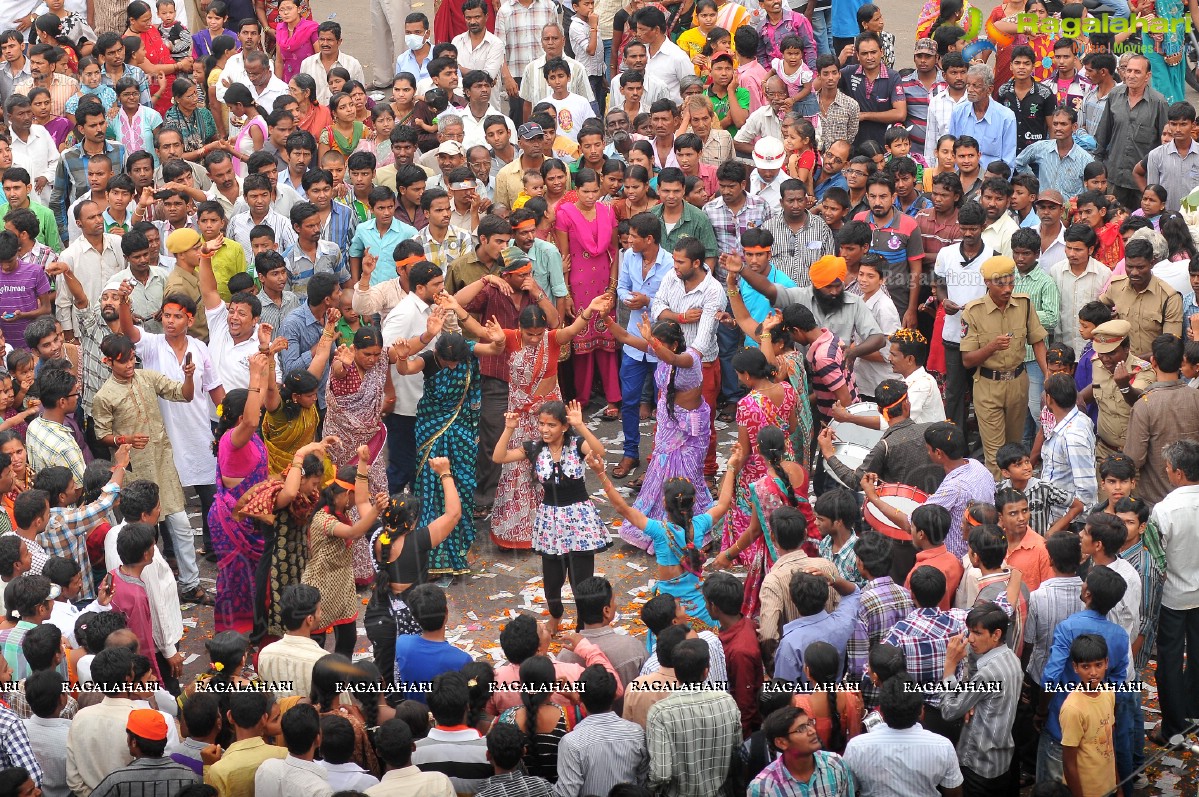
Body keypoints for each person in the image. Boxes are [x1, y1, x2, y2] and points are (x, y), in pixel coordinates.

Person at [389, 311, 505, 575]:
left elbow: (496, 349)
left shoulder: (470, 351)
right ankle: (433, 549)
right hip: (431, 427)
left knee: (461, 483)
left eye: (457, 363)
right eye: (447, 363)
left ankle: (460, 544)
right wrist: (404, 356)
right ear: (438, 356)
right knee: (430, 485)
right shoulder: (429, 359)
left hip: (463, 427)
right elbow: (405, 369)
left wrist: (498, 340)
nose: (453, 367)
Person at [490, 296, 607, 548]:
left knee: (553, 462)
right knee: (519, 466)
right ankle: (518, 533)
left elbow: (574, 329)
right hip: (520, 416)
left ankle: (554, 524)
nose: (534, 338)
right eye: (529, 334)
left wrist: (589, 310)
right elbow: (488, 341)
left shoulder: (552, 338)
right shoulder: (510, 337)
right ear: (519, 328)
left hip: (549, 414)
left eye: (538, 333)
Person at [492, 401, 611, 632]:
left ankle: (582, 625)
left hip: (580, 519)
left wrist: (581, 425)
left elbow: (600, 451)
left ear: (565, 426)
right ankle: (556, 616)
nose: (545, 429)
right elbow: (499, 457)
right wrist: (508, 428)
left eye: (551, 425)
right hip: (550, 522)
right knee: (552, 582)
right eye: (541, 424)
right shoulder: (534, 448)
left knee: (581, 582)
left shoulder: (577, 444)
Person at [960, 255, 1049, 476]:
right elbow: (967, 360)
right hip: (988, 386)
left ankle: (1015, 497)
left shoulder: (1024, 304)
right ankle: (999, 502)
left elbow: (1037, 341)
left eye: (1011, 282)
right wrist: (991, 347)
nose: (1008, 288)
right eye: (1001, 283)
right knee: (996, 454)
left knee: (1014, 448)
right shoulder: (973, 312)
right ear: (988, 283)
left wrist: (1048, 375)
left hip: (1019, 383)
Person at [208, 357, 273, 634]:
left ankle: (255, 628)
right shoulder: (234, 439)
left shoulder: (250, 437)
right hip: (234, 521)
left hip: (252, 517)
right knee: (236, 580)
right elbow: (251, 418)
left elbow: (262, 403)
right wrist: (253, 376)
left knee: (257, 579)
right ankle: (232, 636)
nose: (258, 415)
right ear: (239, 419)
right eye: (253, 410)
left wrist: (266, 354)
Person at [302, 457, 386, 658]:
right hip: (321, 586)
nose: (358, 502)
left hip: (343, 586)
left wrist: (364, 463)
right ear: (348, 494)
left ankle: (340, 681)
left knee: (348, 640)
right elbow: (353, 533)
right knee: (317, 646)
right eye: (355, 497)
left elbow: (362, 500)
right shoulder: (324, 518)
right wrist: (375, 511)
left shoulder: (342, 510)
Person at [645, 638, 740, 797]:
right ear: (706, 671)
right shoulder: (727, 702)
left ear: (675, 672)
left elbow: (661, 774)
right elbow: (737, 748)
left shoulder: (660, 713)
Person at [1149, 439, 1199, 742]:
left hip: (1173, 596)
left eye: (1168, 468)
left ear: (1178, 473)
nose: (1166, 472)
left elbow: (1157, 557)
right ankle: (1194, 709)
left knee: (1168, 659)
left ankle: (1173, 727)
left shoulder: (1165, 510)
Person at [841, 675, 963, 795]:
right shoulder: (943, 747)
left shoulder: (856, 747)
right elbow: (954, 793)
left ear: (881, 712)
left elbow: (847, 790)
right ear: (921, 711)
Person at [1093, 54, 1169, 211]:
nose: (1131, 76)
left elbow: (1166, 142)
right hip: (1115, 176)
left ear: (1147, 76)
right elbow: (1103, 134)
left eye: (1137, 72)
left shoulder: (1158, 102)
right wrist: (1099, 166)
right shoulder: (1114, 95)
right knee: (1113, 220)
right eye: (1128, 71)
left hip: (1143, 181)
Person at [747, 705, 854, 797]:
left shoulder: (835, 765)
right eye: (801, 729)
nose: (812, 731)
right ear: (781, 742)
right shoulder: (763, 788)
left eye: (810, 723)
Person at [1060, 634, 1118, 797]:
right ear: (1075, 667)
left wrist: (1117, 785)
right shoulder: (1073, 709)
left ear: (1106, 663)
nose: (1093, 672)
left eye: (1098, 665)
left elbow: (1110, 745)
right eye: (1086, 667)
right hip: (1086, 791)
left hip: (1108, 786)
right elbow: (1069, 763)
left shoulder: (1108, 692)